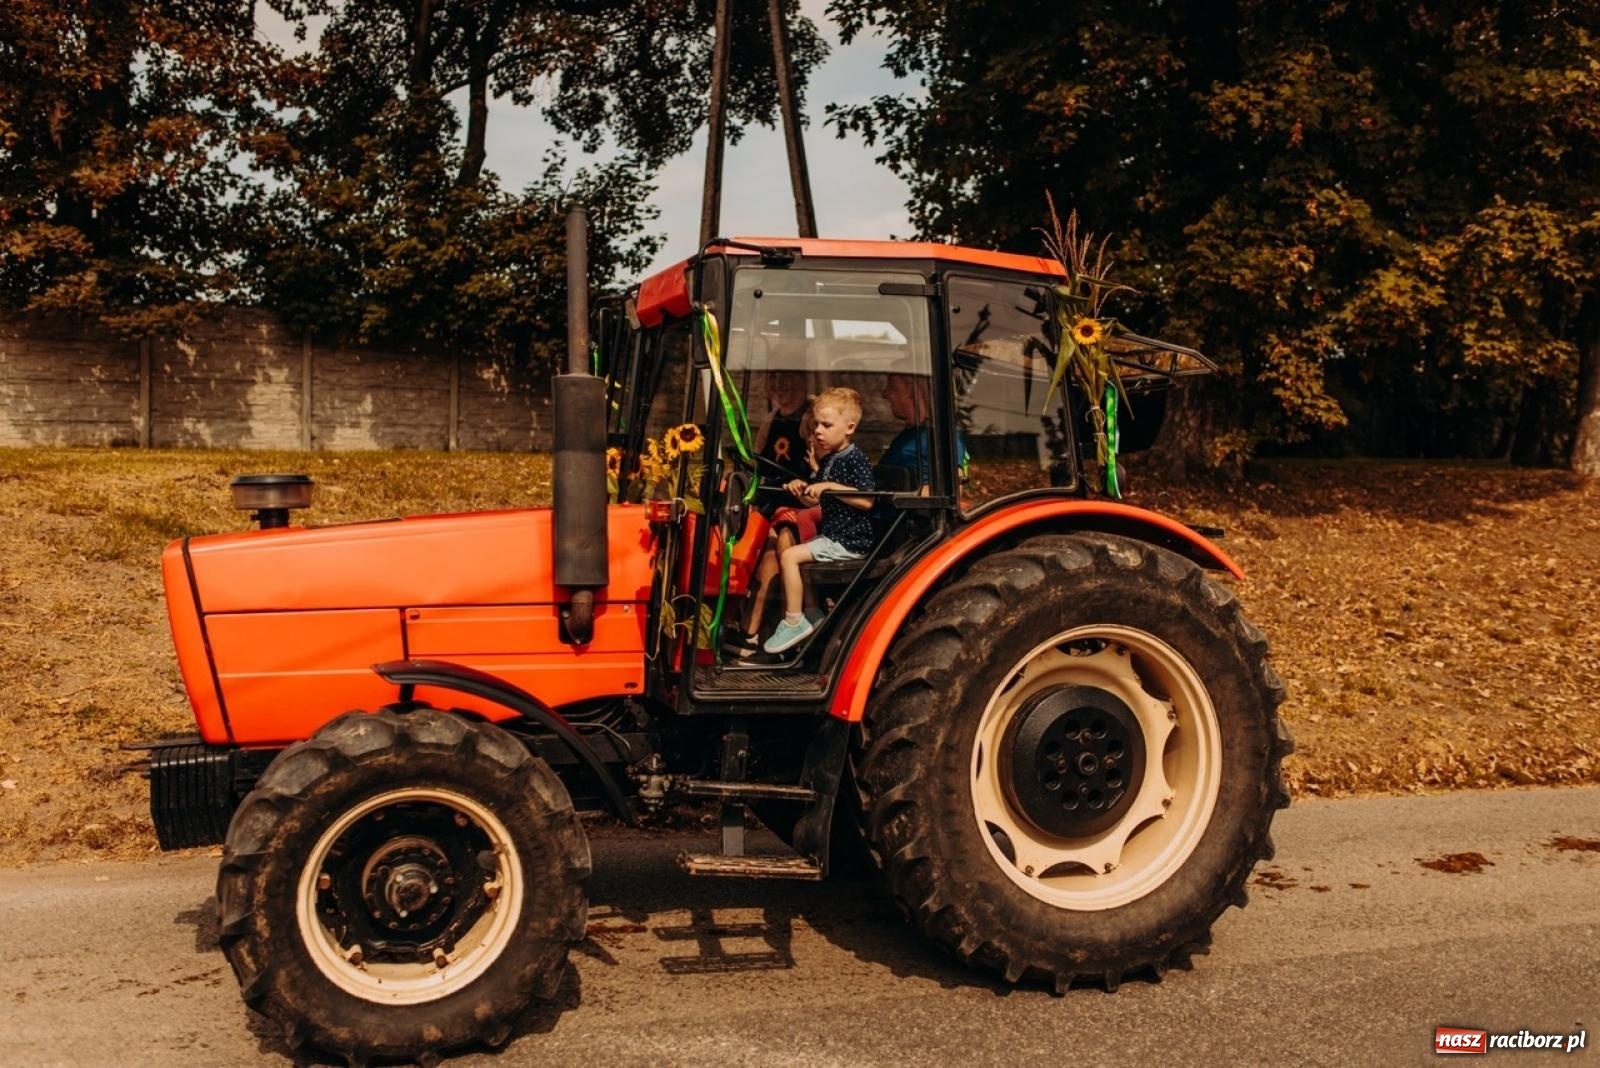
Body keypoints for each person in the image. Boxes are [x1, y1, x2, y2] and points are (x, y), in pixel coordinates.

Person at [762, 387, 875, 654]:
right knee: (798, 555)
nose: (818, 431)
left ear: (849, 428)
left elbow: (867, 500)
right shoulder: (829, 460)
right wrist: (802, 490)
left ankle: (794, 621)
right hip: (833, 536)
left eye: (826, 425)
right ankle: (813, 614)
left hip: (849, 540)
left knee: (790, 556)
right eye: (816, 424)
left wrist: (828, 486)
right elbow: (816, 502)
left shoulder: (854, 460)